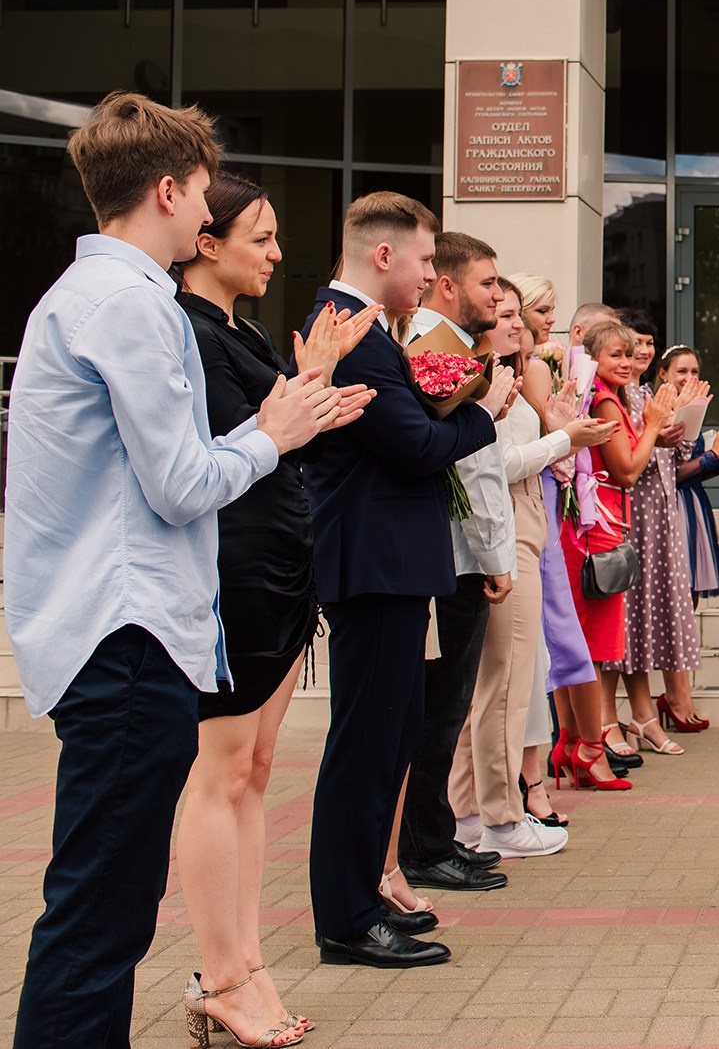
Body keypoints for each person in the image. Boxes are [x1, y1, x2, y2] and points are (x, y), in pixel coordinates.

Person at [6, 93, 359, 1049]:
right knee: (100, 916)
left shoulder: (82, 298)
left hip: (107, 632)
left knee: (96, 908)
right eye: (203, 194)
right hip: (127, 638)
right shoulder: (132, 306)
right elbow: (180, 482)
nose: (208, 216)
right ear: (166, 190)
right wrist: (272, 431)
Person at [175, 171, 380, 1046]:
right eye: (260, 237)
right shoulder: (182, 331)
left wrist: (315, 389)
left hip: (277, 567)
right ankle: (220, 973)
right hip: (227, 571)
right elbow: (227, 446)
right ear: (207, 242)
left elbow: (278, 432)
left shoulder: (240, 328)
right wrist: (306, 390)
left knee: (256, 771)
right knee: (219, 773)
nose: (277, 253)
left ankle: (247, 961)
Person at [302, 191, 515, 969]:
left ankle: (361, 900)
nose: (433, 274)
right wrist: (483, 407)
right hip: (372, 561)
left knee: (389, 737)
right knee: (365, 744)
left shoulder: (368, 332)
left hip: (390, 561)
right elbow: (417, 445)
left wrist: (445, 412)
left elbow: (414, 431)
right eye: (426, 259)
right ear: (383, 255)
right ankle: (346, 918)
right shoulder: (349, 333)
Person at [450, 285, 614, 857]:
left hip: (524, 521)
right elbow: (490, 462)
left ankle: (469, 815)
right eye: (505, 314)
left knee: (503, 681)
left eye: (519, 314)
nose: (517, 324)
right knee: (506, 683)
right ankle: (498, 817)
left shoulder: (507, 378)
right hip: (505, 528)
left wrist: (559, 430)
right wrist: (562, 439)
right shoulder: (480, 381)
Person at [398, 232, 518, 894]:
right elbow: (467, 462)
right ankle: (424, 844)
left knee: (447, 706)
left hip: (465, 552)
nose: (498, 296)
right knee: (439, 708)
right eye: (488, 284)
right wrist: (494, 553)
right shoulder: (432, 347)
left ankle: (433, 835)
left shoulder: (460, 349)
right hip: (451, 552)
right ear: (448, 285)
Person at [502, 276, 622, 807]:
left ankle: (571, 747)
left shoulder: (540, 362)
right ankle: (571, 750)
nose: (549, 319)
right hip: (539, 500)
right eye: (541, 310)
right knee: (558, 636)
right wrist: (564, 435)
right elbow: (537, 440)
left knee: (561, 637)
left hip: (554, 495)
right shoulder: (526, 367)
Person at [558, 319, 672, 790]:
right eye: (615, 355)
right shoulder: (604, 398)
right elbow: (626, 470)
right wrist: (652, 424)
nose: (626, 362)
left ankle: (573, 745)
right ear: (594, 360)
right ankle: (589, 748)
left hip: (599, 526)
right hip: (596, 532)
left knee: (582, 646)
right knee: (588, 649)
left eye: (630, 354)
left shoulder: (607, 392)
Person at [606, 309, 704, 753]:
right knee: (627, 616)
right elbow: (627, 461)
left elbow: (672, 451)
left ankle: (643, 713)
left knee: (646, 615)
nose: (638, 354)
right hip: (630, 515)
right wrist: (654, 432)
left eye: (644, 346)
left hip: (660, 514)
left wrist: (681, 421)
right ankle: (618, 718)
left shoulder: (645, 392)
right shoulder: (612, 396)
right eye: (629, 348)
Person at [659, 346, 719, 605]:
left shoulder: (695, 409)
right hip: (670, 508)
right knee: (674, 590)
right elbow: (670, 474)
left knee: (691, 590)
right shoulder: (661, 411)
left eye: (694, 371)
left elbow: (691, 469)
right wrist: (712, 455)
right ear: (663, 374)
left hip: (692, 504)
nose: (689, 377)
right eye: (681, 371)